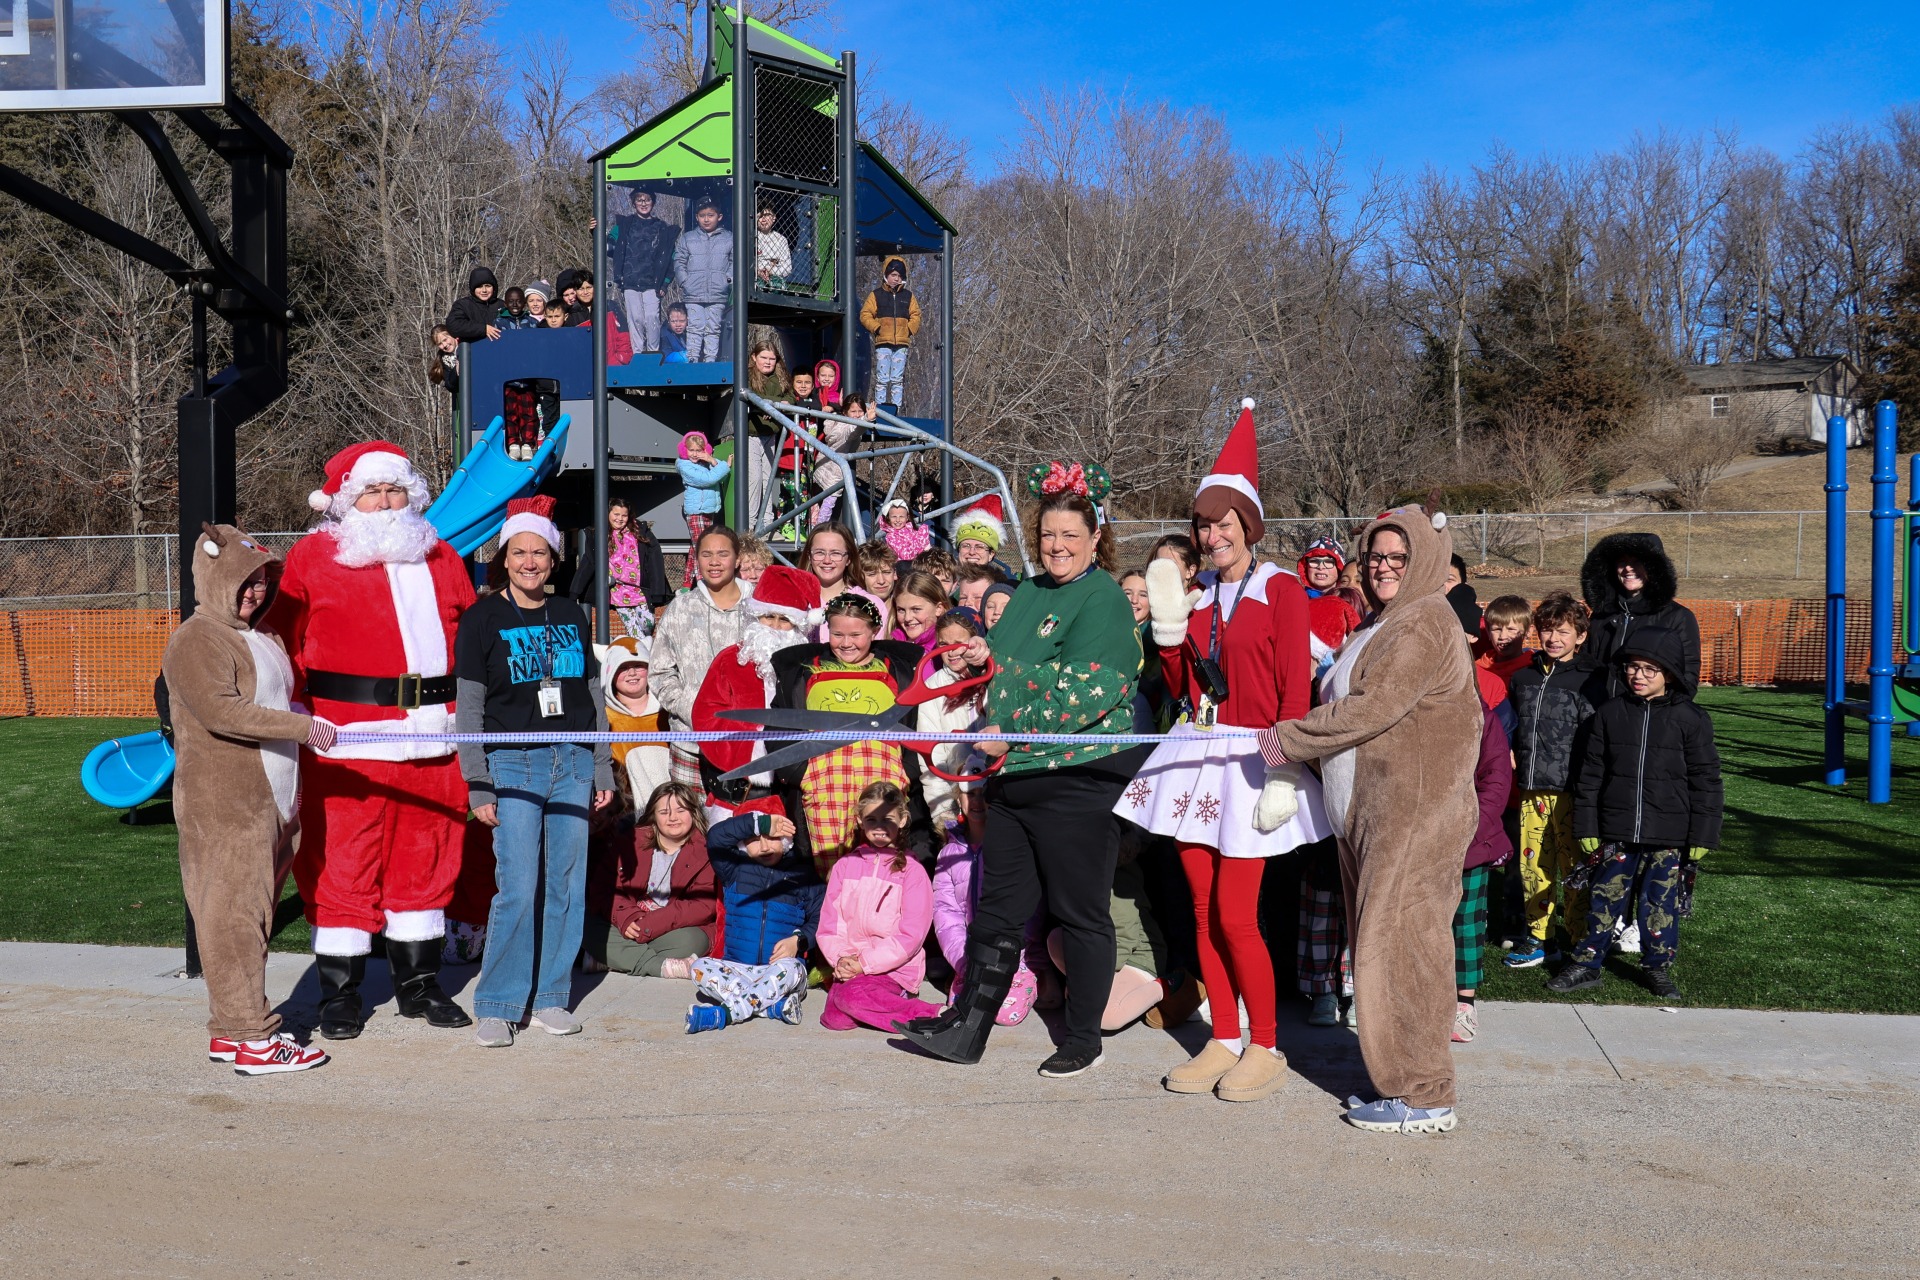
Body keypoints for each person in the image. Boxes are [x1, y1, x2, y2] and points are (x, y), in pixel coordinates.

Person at [898, 462, 1142, 1079]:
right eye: (1047, 537)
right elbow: (1007, 664)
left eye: (1069, 537)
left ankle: (1083, 1035)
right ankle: (968, 1025)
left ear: (1095, 539)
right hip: (1012, 773)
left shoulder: (1105, 599)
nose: (1056, 547)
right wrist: (984, 656)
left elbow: (1096, 688)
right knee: (998, 908)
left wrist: (1008, 694)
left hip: (1078, 776)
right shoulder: (1030, 591)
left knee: (1080, 910)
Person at [1127, 403, 1331, 1103]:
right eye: (1204, 525)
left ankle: (1266, 1044)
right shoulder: (1197, 593)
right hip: (1198, 749)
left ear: (1249, 525)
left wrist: (1287, 765)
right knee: (1201, 906)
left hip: (1255, 758)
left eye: (1225, 523)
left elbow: (1293, 686)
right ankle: (1223, 1033)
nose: (1214, 535)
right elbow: (1186, 689)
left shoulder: (1280, 590)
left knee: (1239, 914)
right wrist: (1168, 636)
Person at [1258, 504, 1482, 1135]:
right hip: (1374, 813)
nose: (1384, 567)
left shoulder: (1423, 624)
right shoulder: (1386, 621)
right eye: (1376, 556)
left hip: (1412, 814)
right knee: (1383, 945)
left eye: (1398, 557)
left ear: (1425, 564)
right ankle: (1404, 1083)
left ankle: (1423, 1093)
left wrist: (1289, 739)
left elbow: (1373, 708)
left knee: (1404, 947)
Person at [266, 441, 478, 1040]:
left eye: (394, 491)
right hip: (348, 740)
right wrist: (295, 711)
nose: (385, 503)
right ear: (345, 501)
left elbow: (471, 635)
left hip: (435, 738)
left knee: (428, 854)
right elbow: (278, 638)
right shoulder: (312, 557)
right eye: (371, 492)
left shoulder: (441, 555)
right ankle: (341, 990)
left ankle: (418, 984)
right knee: (343, 858)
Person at [164, 524, 333, 1076]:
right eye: (244, 580)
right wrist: (301, 727)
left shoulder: (259, 635)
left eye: (262, 581)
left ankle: (229, 1031)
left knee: (254, 915)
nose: (256, 591)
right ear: (214, 577)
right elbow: (222, 712)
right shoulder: (198, 637)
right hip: (226, 804)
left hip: (272, 798)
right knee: (233, 916)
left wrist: (302, 721)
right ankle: (254, 1038)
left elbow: (274, 701)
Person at [456, 496, 616, 1047]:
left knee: (566, 886)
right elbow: (469, 708)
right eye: (519, 552)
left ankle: (550, 995)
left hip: (571, 760)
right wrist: (477, 779)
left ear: (554, 559)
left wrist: (603, 771)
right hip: (512, 762)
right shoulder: (481, 618)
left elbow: (593, 698)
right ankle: (499, 1002)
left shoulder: (572, 612)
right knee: (518, 887)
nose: (530, 562)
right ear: (505, 558)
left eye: (540, 553)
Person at [1551, 628, 1722, 1000]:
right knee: (1603, 896)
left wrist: (1703, 835)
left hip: (1670, 832)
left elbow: (1706, 781)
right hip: (1616, 830)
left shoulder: (1692, 719)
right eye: (1632, 667)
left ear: (1670, 674)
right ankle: (1586, 962)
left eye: (1649, 669)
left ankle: (1657, 967)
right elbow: (1590, 775)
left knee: (1659, 904)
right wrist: (1588, 823)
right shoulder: (1609, 715)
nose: (1638, 675)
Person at [770, 592, 923, 877]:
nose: (846, 643)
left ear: (875, 630)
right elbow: (778, 724)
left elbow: (916, 726)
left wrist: (908, 770)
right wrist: (798, 773)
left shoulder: (898, 670)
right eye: (837, 634)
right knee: (831, 870)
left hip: (884, 781)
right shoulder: (804, 672)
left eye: (856, 634)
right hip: (824, 786)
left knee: (885, 865)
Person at [1505, 592, 1606, 969]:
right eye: (1547, 630)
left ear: (1580, 636)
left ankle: (1580, 938)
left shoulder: (1593, 679)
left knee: (1576, 868)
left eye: (1562, 631)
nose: (1553, 639)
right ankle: (1539, 937)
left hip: (1573, 792)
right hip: (1533, 789)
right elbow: (1513, 726)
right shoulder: (1524, 676)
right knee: (1534, 866)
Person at [692, 565, 820, 817]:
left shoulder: (808, 668)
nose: (774, 626)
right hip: (736, 794)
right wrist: (752, 735)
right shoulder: (731, 660)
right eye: (768, 617)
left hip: (789, 794)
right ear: (756, 617)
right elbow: (706, 716)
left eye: (784, 620)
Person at [815, 782, 943, 1031]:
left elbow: (911, 935)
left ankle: (932, 1015)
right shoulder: (844, 866)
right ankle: (885, 1006)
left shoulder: (912, 872)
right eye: (871, 819)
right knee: (835, 1019)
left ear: (903, 820)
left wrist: (865, 963)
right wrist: (842, 959)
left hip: (892, 969)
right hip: (850, 966)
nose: (879, 827)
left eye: (888, 819)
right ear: (860, 821)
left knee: (849, 999)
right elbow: (830, 925)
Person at [683, 805, 822, 1032]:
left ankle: (725, 1014)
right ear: (743, 843)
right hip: (738, 969)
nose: (765, 846)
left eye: (773, 837)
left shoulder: (802, 875)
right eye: (755, 839)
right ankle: (771, 1008)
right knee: (699, 968)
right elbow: (716, 838)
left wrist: (799, 940)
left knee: (791, 970)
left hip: (778, 970)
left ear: (786, 840)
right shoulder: (735, 869)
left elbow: (821, 919)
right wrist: (762, 823)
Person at [583, 782, 718, 976]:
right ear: (653, 816)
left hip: (671, 928)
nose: (672, 818)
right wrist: (627, 917)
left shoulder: (705, 850)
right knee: (584, 924)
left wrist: (650, 924)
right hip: (629, 923)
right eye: (664, 812)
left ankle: (609, 958)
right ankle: (660, 966)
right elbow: (604, 888)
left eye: (681, 810)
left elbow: (703, 905)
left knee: (694, 941)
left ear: (693, 813)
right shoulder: (630, 842)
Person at [651, 525, 749, 789]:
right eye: (706, 554)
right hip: (690, 742)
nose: (714, 562)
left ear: (737, 559)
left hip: (748, 746)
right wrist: (693, 709)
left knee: (742, 827)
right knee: (690, 826)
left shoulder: (759, 607)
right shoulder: (680, 607)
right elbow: (660, 672)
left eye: (722, 554)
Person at [932, 786, 1040, 1026]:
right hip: (969, 959)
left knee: (1003, 1014)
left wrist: (1010, 956)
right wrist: (963, 960)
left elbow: (1030, 910)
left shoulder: (1016, 848)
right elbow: (946, 915)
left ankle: (1038, 979)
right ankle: (958, 975)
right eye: (969, 793)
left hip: (1014, 959)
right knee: (965, 1011)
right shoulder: (948, 854)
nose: (977, 801)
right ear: (958, 798)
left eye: (984, 793)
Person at [1456, 691, 1515, 1043]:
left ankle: (1464, 1002)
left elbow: (1495, 778)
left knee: (1466, 921)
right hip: (1418, 838)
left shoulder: (1483, 718)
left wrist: (1470, 827)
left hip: (1470, 838)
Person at [1581, 532, 1703, 700]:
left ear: (1654, 567)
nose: (1628, 568)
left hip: (1648, 718)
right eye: (1622, 562)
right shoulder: (1601, 615)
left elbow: (1686, 677)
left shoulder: (1678, 617)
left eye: (1637, 562)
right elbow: (1585, 664)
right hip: (1599, 714)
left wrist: (1657, 713)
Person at [915, 607, 991, 825]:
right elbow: (932, 755)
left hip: (996, 794)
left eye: (959, 644)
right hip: (957, 798)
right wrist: (943, 814)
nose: (951, 652)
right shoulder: (933, 687)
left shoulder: (994, 680)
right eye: (943, 645)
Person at [601, 637, 670, 806]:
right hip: (621, 809)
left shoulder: (668, 713)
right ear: (610, 672)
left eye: (638, 666)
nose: (632, 673)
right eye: (623, 667)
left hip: (667, 804)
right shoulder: (602, 718)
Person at [611, 187, 676, 353]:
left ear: (653, 203)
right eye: (639, 200)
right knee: (636, 318)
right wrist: (593, 231)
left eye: (647, 200)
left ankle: (653, 352)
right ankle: (638, 353)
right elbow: (608, 245)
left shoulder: (662, 227)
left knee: (652, 317)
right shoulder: (624, 225)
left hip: (652, 282)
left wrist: (665, 284)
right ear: (633, 203)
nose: (643, 203)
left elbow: (671, 258)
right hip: (630, 280)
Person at [594, 496, 663, 640]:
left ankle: (643, 648)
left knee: (648, 623)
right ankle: (642, 657)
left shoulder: (637, 531)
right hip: (618, 590)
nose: (620, 519)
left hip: (638, 589)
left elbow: (653, 555)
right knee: (634, 631)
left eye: (624, 515)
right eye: (616, 514)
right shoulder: (603, 534)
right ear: (608, 514)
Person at [675, 198, 733, 362]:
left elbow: (734, 261)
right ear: (696, 217)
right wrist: (684, 282)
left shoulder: (729, 238)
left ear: (719, 216)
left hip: (717, 292)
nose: (706, 219)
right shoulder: (688, 238)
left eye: (710, 215)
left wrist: (727, 280)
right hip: (693, 292)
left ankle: (710, 360)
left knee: (713, 327)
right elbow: (679, 261)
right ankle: (692, 359)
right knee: (694, 326)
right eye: (702, 216)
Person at [860, 255, 920, 411]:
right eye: (893, 275)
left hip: (901, 343)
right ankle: (880, 408)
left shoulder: (908, 296)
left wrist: (908, 329)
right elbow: (865, 314)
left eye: (899, 276)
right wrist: (877, 328)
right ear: (886, 275)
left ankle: (896, 409)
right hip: (883, 343)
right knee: (882, 378)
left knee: (897, 379)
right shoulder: (876, 295)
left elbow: (916, 315)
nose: (896, 279)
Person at [742, 341, 790, 527]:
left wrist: (775, 406)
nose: (768, 362)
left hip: (771, 434)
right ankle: (750, 524)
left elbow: (791, 397)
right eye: (764, 357)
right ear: (754, 357)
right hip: (750, 435)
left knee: (770, 478)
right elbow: (748, 396)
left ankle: (769, 524)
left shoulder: (781, 377)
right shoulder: (746, 374)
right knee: (754, 480)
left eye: (772, 358)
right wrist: (771, 405)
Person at [1298, 537, 1363, 668]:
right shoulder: (1297, 598)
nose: (1321, 567)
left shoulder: (1350, 599)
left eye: (1328, 562)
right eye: (1314, 561)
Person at [675, 432, 730, 589]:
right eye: (691, 450)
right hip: (696, 511)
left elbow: (722, 478)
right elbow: (708, 480)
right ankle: (703, 581)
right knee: (703, 546)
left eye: (699, 450)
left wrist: (712, 460)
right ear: (685, 450)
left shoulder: (705, 464)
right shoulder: (684, 465)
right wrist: (724, 466)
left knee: (696, 546)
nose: (695, 454)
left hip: (708, 510)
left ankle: (686, 584)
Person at [799, 523, 872, 616]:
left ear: (848, 559)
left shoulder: (867, 603)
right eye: (820, 553)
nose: (827, 560)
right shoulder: (793, 600)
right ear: (809, 556)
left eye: (835, 553)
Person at [1476, 594, 1535, 689]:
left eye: (1511, 629)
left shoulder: (1534, 670)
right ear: (1488, 631)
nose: (1503, 636)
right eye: (1497, 629)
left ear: (1528, 631)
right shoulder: (1477, 670)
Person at [954, 496, 1016, 579]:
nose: (972, 552)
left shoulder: (1001, 587)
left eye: (979, 547)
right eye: (966, 546)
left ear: (991, 554)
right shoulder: (946, 581)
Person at [889, 570, 947, 657]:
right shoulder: (893, 644)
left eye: (916, 609)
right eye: (901, 610)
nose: (907, 618)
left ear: (938, 609)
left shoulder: (945, 649)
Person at [444, 266, 502, 342]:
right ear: (473, 289)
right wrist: (483, 329)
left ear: (494, 288)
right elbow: (453, 325)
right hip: (473, 350)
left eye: (488, 286)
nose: (484, 290)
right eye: (479, 287)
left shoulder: (502, 305)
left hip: (500, 349)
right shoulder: (463, 305)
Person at [878, 497, 932, 564]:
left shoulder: (914, 531)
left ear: (907, 518)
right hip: (901, 568)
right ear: (888, 518)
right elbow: (906, 556)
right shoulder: (891, 536)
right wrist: (920, 542)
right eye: (894, 517)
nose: (898, 520)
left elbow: (927, 550)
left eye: (901, 516)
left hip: (919, 564)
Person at [856, 541, 896, 626]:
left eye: (886, 572)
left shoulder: (904, 608)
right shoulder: (852, 611)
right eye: (872, 574)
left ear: (894, 574)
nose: (881, 581)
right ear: (859, 576)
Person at [753, 204, 792, 287]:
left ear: (774, 218)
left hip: (774, 280)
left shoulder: (781, 240)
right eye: (760, 216)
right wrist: (758, 271)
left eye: (767, 215)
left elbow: (787, 268)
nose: (763, 219)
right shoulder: (750, 237)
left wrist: (770, 271)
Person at [428, 325, 460, 400]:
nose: (444, 345)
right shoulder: (445, 360)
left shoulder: (467, 344)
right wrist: (456, 371)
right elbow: (450, 385)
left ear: (451, 334)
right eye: (440, 344)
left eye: (445, 340)